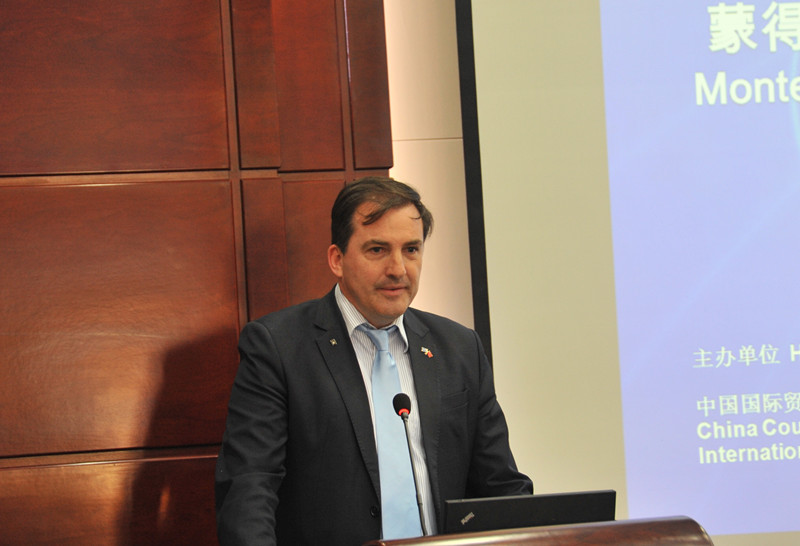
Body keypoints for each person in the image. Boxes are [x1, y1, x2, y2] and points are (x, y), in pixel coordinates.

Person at [215, 176, 532, 545]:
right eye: (378, 250)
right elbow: (248, 490)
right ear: (337, 259)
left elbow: (500, 487)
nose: (398, 269)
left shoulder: (459, 349)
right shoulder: (278, 347)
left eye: (411, 250)